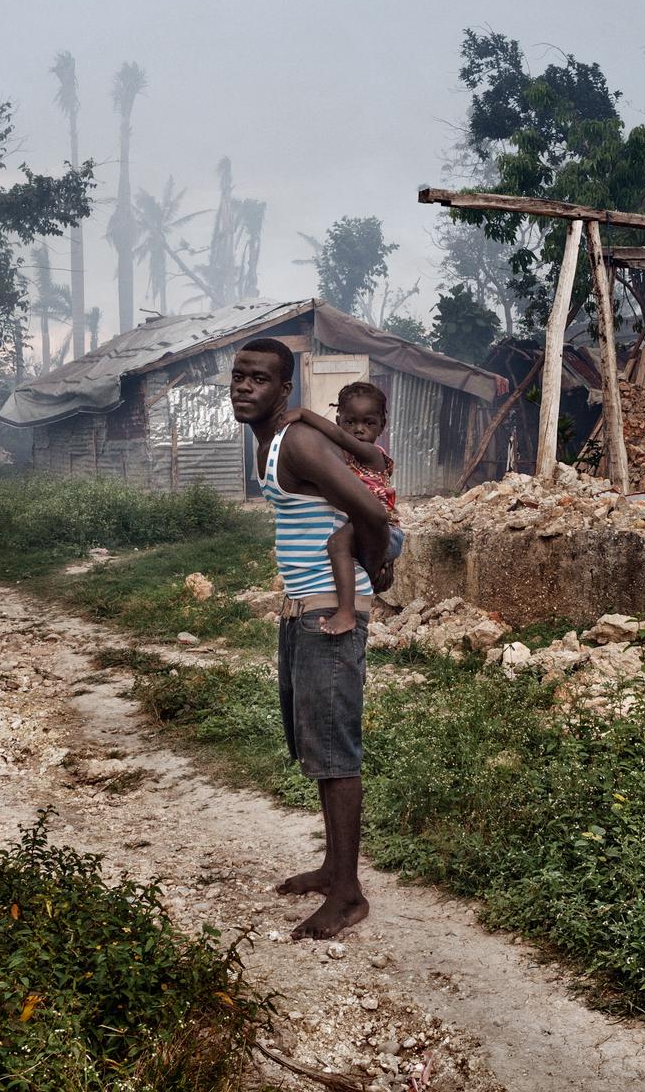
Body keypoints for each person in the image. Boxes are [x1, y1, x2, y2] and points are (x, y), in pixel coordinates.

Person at [230, 337, 389, 940]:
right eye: (239, 377)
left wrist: (377, 574)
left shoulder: (298, 439)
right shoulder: (267, 439)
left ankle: (348, 895)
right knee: (315, 744)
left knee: (335, 750)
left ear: (284, 389)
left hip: (330, 611)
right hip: (303, 608)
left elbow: (372, 514)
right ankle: (332, 869)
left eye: (260, 379)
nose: (245, 387)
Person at [286, 381, 403, 636]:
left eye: (368, 423)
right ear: (340, 419)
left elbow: (337, 437)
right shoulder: (338, 457)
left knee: (337, 544)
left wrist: (304, 414)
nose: (358, 430)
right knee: (354, 556)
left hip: (385, 531)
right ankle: (380, 572)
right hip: (366, 530)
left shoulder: (372, 455)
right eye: (350, 422)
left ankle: (347, 613)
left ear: (382, 426)